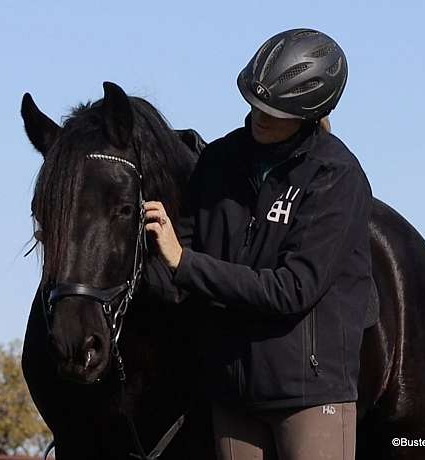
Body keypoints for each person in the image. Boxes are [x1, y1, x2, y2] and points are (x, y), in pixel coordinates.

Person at [143, 28, 373, 460]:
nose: (260, 116)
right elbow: (179, 270)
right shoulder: (216, 163)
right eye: (256, 103)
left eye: (277, 111)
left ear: (308, 113)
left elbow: (292, 289)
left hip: (308, 394)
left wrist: (183, 261)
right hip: (232, 393)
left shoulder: (336, 176)